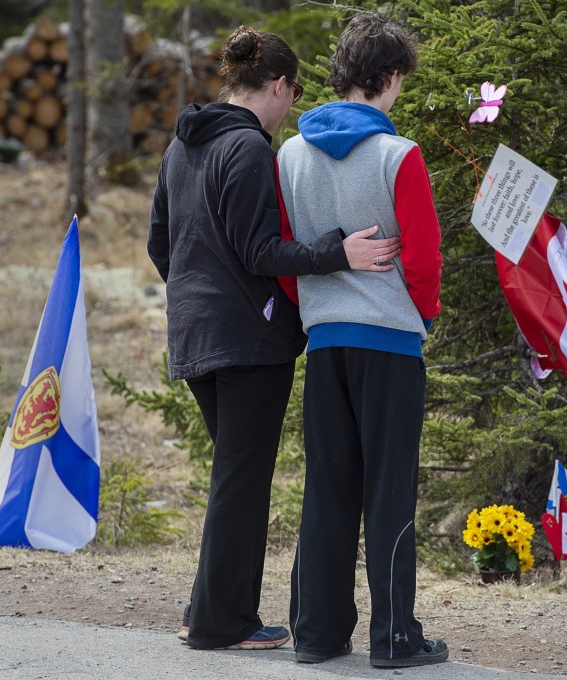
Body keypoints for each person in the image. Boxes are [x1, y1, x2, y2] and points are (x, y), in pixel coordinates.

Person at [147, 25, 401, 651]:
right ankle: (220, 623)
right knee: (242, 474)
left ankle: (204, 609)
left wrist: (195, 296)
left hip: (191, 334)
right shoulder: (250, 150)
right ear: (281, 85)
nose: (291, 111)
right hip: (247, 341)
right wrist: (336, 251)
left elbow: (161, 244)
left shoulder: (183, 147)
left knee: (233, 473)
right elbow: (264, 251)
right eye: (293, 95)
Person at [275, 12, 447, 669]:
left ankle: (316, 634)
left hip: (324, 342)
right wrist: (422, 319)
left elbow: (290, 254)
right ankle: (396, 637)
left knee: (328, 489)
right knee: (388, 492)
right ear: (392, 75)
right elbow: (424, 258)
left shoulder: (290, 154)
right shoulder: (398, 155)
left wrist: (313, 312)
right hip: (391, 342)